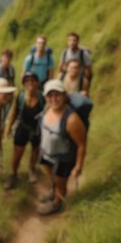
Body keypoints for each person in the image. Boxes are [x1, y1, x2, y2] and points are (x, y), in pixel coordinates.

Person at [37, 79, 87, 216]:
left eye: (57, 95)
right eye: (50, 95)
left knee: (60, 183)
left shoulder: (71, 119)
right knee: (52, 178)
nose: (53, 99)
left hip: (63, 159)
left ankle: (57, 203)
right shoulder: (48, 109)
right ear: (45, 97)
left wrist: (78, 166)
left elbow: (82, 145)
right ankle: (53, 192)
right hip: (47, 154)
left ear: (64, 95)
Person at [4, 71, 45, 190]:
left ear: (37, 83)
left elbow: (47, 114)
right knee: (17, 154)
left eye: (33, 80)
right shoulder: (20, 96)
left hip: (36, 129)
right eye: (27, 81)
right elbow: (14, 113)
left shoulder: (42, 97)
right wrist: (8, 129)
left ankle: (32, 169)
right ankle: (13, 175)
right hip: (22, 128)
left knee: (35, 151)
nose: (30, 83)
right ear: (24, 83)